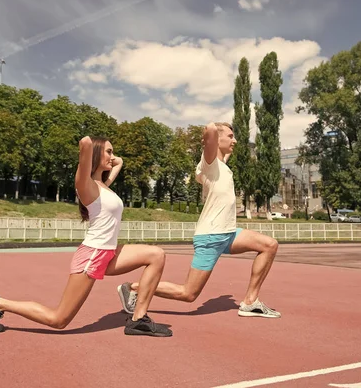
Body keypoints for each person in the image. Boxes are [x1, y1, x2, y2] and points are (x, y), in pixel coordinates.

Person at [0, 136, 172, 337]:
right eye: (109, 151)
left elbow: (118, 163)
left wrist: (113, 159)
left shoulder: (103, 185)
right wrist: (91, 147)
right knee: (59, 320)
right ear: (96, 154)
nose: (113, 156)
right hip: (93, 255)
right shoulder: (86, 185)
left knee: (156, 255)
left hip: (110, 252)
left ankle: (138, 320)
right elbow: (85, 145)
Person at [117, 122, 281, 318]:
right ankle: (134, 288)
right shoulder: (209, 162)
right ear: (216, 140)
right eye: (230, 136)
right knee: (188, 293)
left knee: (269, 245)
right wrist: (212, 127)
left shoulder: (220, 166)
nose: (234, 140)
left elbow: (222, 152)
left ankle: (250, 302)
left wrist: (224, 138)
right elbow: (211, 133)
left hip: (227, 233)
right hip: (211, 236)